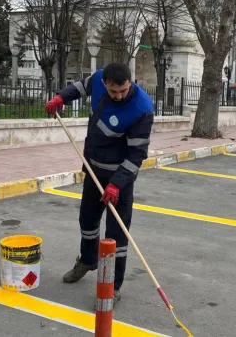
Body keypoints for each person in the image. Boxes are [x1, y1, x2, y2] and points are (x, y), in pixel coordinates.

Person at [45, 62, 154, 306]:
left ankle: (112, 287)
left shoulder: (141, 109)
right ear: (104, 83)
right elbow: (79, 88)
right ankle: (88, 260)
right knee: (87, 222)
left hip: (119, 181)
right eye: (113, 91)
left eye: (123, 91)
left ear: (130, 82)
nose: (118, 96)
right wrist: (60, 98)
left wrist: (117, 184)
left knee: (115, 238)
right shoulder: (97, 80)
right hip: (94, 171)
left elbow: (137, 154)